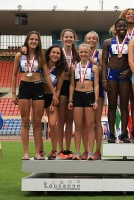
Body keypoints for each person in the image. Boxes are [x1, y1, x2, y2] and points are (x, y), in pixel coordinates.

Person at [12, 31, 57, 160]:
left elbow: (47, 75)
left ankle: (38, 152)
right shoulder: (19, 56)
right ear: (27, 40)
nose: (33, 41)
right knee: (25, 122)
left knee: (37, 122)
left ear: (39, 42)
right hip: (24, 87)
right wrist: (14, 93)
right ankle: (26, 152)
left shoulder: (41, 56)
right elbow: (14, 75)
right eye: (31, 39)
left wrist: (53, 92)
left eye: (36, 40)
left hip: (38, 86)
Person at [102, 18, 132, 143]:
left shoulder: (131, 42)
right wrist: (104, 79)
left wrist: (129, 70)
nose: (122, 28)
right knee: (112, 106)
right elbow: (104, 62)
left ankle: (124, 133)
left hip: (125, 75)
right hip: (112, 75)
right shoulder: (108, 42)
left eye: (124, 26)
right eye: (119, 26)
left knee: (124, 106)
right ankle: (112, 134)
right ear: (115, 28)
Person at [68, 44, 99, 160]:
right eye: (81, 52)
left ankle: (90, 152)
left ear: (89, 53)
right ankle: (77, 152)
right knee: (78, 125)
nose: (83, 54)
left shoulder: (94, 67)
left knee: (90, 125)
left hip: (89, 95)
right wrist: (70, 99)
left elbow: (96, 85)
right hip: (77, 96)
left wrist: (96, 100)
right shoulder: (74, 67)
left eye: (85, 52)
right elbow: (72, 84)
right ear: (78, 53)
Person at [57, 29, 80, 160]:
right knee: (61, 120)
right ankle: (60, 149)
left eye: (71, 37)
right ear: (62, 38)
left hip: (73, 87)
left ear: (74, 39)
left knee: (70, 120)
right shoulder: (57, 53)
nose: (68, 39)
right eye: (66, 37)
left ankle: (67, 149)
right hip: (61, 87)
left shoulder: (76, 54)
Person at [81, 31, 103, 160]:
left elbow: (101, 69)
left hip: (97, 89)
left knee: (96, 121)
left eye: (94, 39)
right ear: (85, 40)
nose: (91, 40)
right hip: (83, 90)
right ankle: (85, 150)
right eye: (89, 38)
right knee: (85, 123)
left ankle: (97, 150)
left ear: (97, 41)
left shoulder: (100, 54)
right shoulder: (81, 52)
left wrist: (91, 60)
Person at [43, 45, 66, 160]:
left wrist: (53, 101)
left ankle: (53, 150)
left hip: (51, 97)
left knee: (52, 123)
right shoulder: (42, 64)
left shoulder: (60, 70)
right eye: (53, 52)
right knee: (36, 123)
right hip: (38, 96)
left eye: (58, 53)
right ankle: (40, 150)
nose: (55, 55)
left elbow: (58, 88)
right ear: (49, 53)